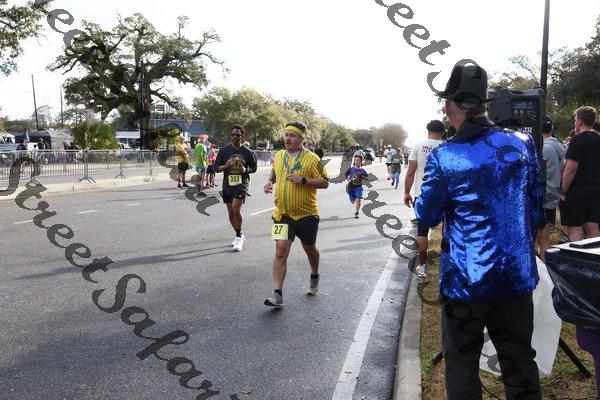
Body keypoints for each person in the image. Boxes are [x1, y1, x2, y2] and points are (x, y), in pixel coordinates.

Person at [415, 64, 542, 400]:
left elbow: (426, 213)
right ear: (486, 104)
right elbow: (535, 207)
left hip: (465, 282)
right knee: (519, 359)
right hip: (515, 275)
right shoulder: (523, 144)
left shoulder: (445, 155)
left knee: (462, 363)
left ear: (448, 108)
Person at [262, 121, 329, 308]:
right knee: (280, 252)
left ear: (301, 138)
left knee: (310, 249)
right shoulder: (279, 155)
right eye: (286, 134)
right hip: (282, 213)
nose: (288, 138)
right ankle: (277, 295)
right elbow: (275, 171)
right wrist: (269, 181)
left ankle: (314, 274)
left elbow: (325, 182)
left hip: (307, 214)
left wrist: (304, 180)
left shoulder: (312, 158)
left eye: (292, 135)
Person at [403, 119, 444, 277]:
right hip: (444, 193)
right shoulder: (446, 146)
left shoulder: (418, 146)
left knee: (422, 230)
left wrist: (407, 192)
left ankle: (423, 266)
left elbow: (410, 172)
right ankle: (447, 264)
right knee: (448, 228)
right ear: (443, 133)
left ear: (428, 132)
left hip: (422, 193)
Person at [559, 106, 600, 241]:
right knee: (592, 226)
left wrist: (563, 190)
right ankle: (595, 253)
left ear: (580, 121)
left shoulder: (578, 140)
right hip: (596, 189)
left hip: (577, 191)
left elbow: (571, 168)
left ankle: (576, 254)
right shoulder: (598, 139)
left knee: (574, 227)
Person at [215, 124, 257, 252]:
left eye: (238, 135)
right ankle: (239, 233)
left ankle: (238, 237)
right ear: (230, 136)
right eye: (233, 135)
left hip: (241, 184)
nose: (235, 137)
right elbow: (216, 168)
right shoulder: (224, 151)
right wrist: (226, 166)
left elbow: (254, 168)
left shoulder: (248, 152)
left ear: (242, 136)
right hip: (228, 184)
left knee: (235, 209)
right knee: (230, 213)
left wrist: (245, 170)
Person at [535, 117, 566, 261]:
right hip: (552, 195)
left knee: (534, 240)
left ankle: (539, 270)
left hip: (541, 197)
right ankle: (547, 270)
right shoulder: (558, 146)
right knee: (545, 240)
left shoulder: (544, 148)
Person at [345, 150, 368, 218]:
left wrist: (362, 177)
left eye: (358, 160)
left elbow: (366, 177)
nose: (357, 162)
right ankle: (353, 199)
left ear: (361, 161)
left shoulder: (362, 170)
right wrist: (348, 180)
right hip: (351, 187)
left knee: (358, 198)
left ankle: (356, 212)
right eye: (355, 160)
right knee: (352, 201)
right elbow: (346, 175)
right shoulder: (351, 169)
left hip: (358, 187)